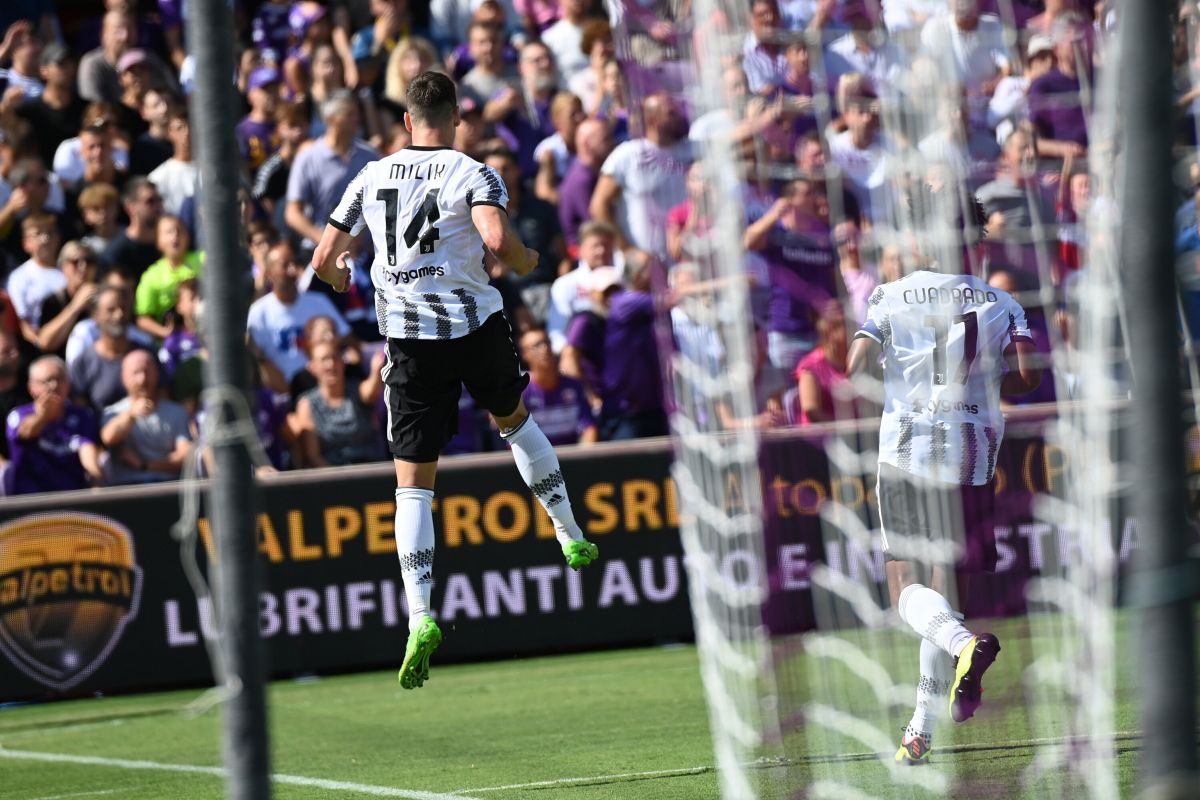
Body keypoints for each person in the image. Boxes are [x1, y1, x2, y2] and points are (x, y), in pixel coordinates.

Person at [310, 70, 599, 690]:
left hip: (410, 345)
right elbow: (498, 242)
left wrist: (346, 277)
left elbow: (322, 262)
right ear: (458, 116)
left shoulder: (370, 174)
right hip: (472, 327)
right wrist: (526, 261)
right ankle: (570, 533)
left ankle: (420, 615)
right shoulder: (472, 171)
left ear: (407, 121)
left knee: (413, 485)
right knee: (515, 422)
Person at [845, 186, 1041, 765]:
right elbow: (1029, 376)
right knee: (943, 593)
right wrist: (982, 384)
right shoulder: (1002, 302)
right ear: (974, 237)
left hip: (907, 451)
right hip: (974, 455)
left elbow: (854, 366)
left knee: (906, 590)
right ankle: (919, 731)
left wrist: (900, 392)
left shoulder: (890, 294)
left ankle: (966, 646)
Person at [247, 240, 354, 384]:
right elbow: (256, 358)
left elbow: (348, 341)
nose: (292, 270)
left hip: (318, 388)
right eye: (285, 265)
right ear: (270, 271)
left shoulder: (318, 301)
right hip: (279, 392)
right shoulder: (258, 312)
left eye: (293, 263)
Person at [6, 354, 106, 494]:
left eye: (59, 379)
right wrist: (43, 416)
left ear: (68, 384)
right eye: (47, 381)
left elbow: (87, 447)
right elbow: (26, 431)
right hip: (31, 501)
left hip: (73, 497)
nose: (54, 386)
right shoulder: (18, 415)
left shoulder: (83, 415)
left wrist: (96, 478)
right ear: (31, 388)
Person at [100, 349, 191, 484]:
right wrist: (131, 415)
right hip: (128, 489)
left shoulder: (177, 412)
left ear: (156, 374)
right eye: (136, 373)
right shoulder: (113, 412)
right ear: (124, 377)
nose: (142, 379)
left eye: (147, 371)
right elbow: (108, 437)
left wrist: (144, 465)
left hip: (168, 486)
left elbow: (185, 456)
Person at [295, 340, 385, 466]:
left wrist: (376, 371)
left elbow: (370, 393)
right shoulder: (307, 404)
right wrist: (338, 481)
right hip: (334, 475)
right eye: (324, 359)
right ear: (312, 367)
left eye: (334, 357)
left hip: (371, 467)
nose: (331, 364)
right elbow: (313, 456)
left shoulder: (357, 390)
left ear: (343, 363)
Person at [518, 326, 597, 446]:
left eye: (547, 342)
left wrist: (585, 457)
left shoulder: (574, 386)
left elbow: (589, 427)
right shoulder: (521, 392)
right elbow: (515, 438)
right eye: (537, 346)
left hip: (572, 459)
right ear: (525, 355)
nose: (544, 349)